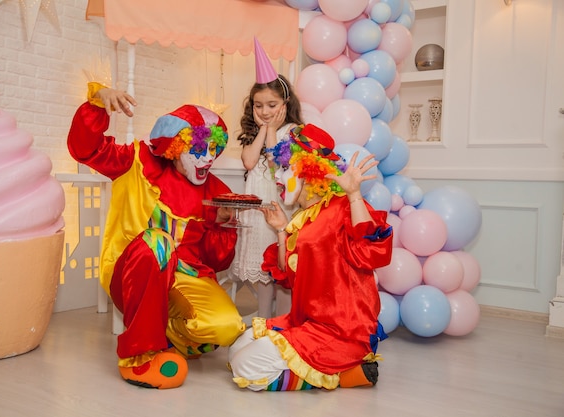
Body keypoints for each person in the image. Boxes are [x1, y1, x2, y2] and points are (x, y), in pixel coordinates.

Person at [67, 83, 246, 389]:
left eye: (213, 150)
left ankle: (164, 334)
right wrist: (98, 103)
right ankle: (139, 356)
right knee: (158, 240)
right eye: (199, 150)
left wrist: (224, 226)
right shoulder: (138, 161)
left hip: (185, 276)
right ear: (175, 146)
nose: (207, 159)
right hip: (133, 274)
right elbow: (86, 150)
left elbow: (217, 262)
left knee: (227, 328)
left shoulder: (217, 191)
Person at [227, 123, 393, 391]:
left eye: (284, 168)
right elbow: (288, 275)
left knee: (245, 366)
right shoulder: (302, 218)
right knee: (236, 350)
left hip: (342, 331)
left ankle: (342, 374)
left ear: (308, 170)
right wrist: (281, 230)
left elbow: (371, 253)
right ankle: (341, 372)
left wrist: (353, 195)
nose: (277, 177)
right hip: (307, 322)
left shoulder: (341, 208)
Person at [228, 37, 304, 319]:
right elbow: (249, 160)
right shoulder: (257, 133)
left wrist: (272, 128)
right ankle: (263, 320)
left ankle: (278, 323)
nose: (265, 111)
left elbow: (276, 162)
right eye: (259, 106)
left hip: (279, 209)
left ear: (285, 104)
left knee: (278, 270)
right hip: (257, 212)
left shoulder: (293, 132)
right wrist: (262, 128)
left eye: (272, 105)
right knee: (261, 273)